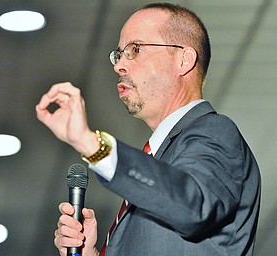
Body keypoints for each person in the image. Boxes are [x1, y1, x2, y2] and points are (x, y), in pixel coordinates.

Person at [36, 3, 261, 256]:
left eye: (135, 49)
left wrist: (91, 144)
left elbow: (193, 206)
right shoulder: (158, 161)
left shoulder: (216, 131)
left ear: (183, 60)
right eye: (118, 54)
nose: (118, 66)